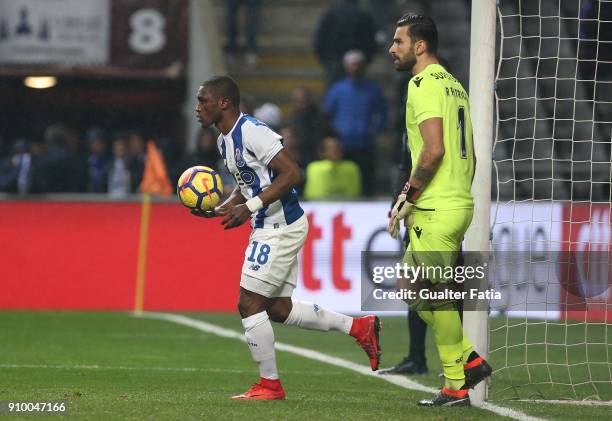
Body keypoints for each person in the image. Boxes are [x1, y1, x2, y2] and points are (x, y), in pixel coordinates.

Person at [191, 76, 382, 400]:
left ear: (223, 102)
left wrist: (250, 207)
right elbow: (249, 182)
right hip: (268, 224)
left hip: (280, 226)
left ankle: (270, 385)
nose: (198, 109)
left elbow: (292, 172)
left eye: (203, 101)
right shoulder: (225, 140)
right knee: (277, 309)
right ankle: (359, 328)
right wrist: (223, 207)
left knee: (248, 303)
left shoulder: (252, 131)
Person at [387, 13, 492, 406]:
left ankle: (455, 382)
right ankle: (469, 359)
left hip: (435, 207)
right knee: (410, 288)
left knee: (435, 294)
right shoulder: (454, 85)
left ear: (419, 46)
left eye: (398, 41)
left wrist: (408, 197)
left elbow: (433, 151)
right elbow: (472, 155)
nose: (391, 49)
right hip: (453, 202)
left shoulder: (422, 83)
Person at [324, 50, 387, 196]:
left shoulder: (372, 89)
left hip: (365, 143)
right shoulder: (337, 89)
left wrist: (375, 129)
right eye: (352, 65)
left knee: (366, 180)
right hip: (343, 143)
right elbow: (327, 113)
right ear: (346, 66)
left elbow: (383, 113)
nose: (355, 68)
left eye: (358, 65)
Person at [314, 0, 377, 86]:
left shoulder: (331, 14)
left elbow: (319, 40)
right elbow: (371, 42)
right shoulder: (363, 15)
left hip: (334, 62)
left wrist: (326, 61)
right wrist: (365, 60)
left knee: (334, 91)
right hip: (357, 62)